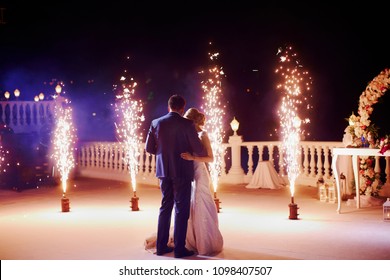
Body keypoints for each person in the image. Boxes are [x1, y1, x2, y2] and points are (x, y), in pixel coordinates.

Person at [145, 95, 207, 258]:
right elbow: (199, 150)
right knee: (181, 209)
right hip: (182, 172)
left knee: (165, 208)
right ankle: (179, 249)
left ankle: (161, 246)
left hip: (163, 172)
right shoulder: (187, 124)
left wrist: (163, 152)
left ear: (169, 107)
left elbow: (149, 148)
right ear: (182, 109)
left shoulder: (156, 123)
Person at [180, 108, 223, 256]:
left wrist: (193, 158)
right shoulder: (187, 134)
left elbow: (211, 158)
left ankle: (205, 242)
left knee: (201, 204)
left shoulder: (203, 134)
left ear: (191, 121)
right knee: (191, 206)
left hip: (200, 173)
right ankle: (192, 239)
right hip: (188, 173)